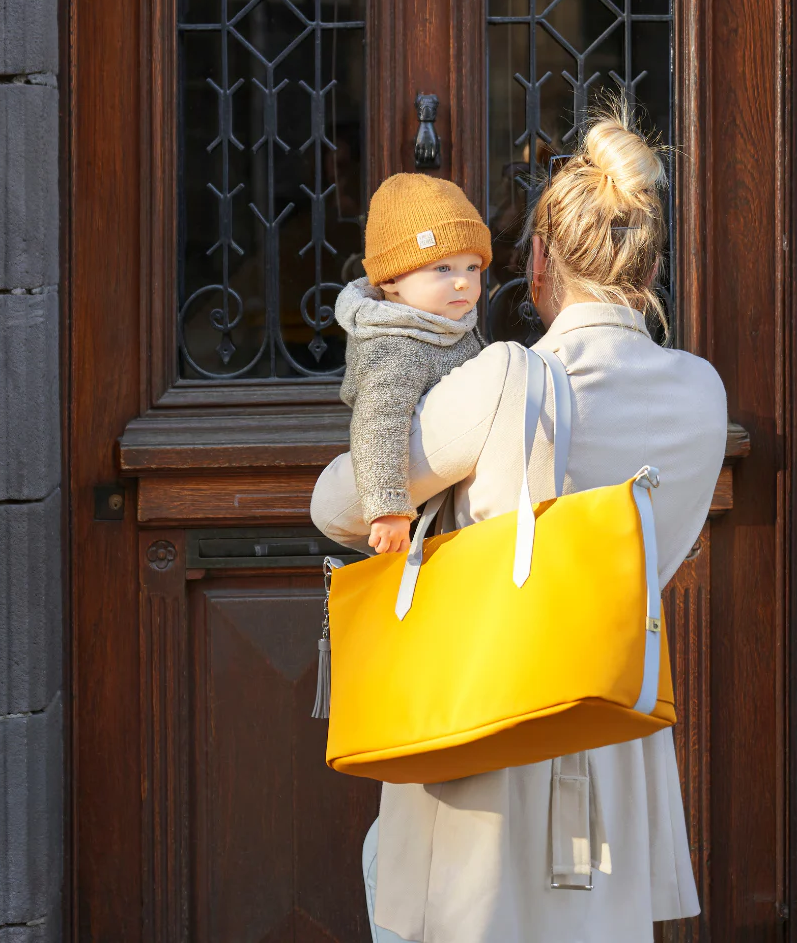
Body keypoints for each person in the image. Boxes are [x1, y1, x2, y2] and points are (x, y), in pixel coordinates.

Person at [310, 104, 728, 943]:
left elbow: (337, 503)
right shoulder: (703, 392)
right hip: (608, 730)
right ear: (645, 264)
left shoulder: (506, 378)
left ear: (538, 262)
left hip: (486, 733)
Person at [335, 173, 491, 554]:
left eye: (472, 268)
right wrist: (388, 509)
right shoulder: (395, 347)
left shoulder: (447, 322)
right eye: (443, 269)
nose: (462, 283)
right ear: (391, 279)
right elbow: (378, 423)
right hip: (415, 504)